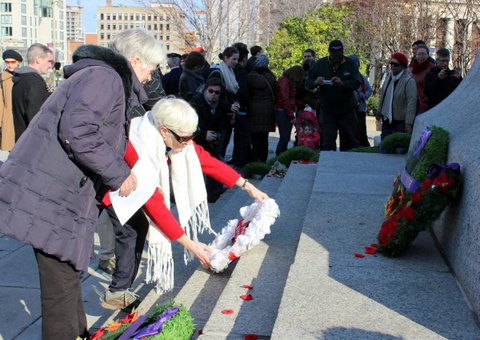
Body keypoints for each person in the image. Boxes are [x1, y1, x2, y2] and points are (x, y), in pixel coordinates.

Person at [0, 28, 163, 337]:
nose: (151, 77)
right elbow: (79, 131)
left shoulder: (105, 78)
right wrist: (120, 173)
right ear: (136, 60)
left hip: (57, 196)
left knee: (68, 276)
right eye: (151, 69)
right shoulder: (106, 79)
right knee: (60, 288)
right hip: (51, 197)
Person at [100, 98, 269, 310]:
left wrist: (248, 186)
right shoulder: (139, 145)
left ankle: (119, 289)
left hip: (128, 188)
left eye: (193, 135)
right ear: (164, 131)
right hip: (105, 191)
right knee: (132, 230)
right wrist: (190, 245)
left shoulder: (173, 133)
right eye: (184, 138)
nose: (189, 142)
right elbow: (154, 205)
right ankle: (117, 291)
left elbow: (204, 159)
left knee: (136, 229)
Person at [305, 39, 361, 151]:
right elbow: (307, 82)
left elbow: (357, 82)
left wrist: (343, 83)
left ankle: (347, 165)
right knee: (327, 142)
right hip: (327, 110)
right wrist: (316, 82)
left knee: (350, 142)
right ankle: (328, 165)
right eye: (333, 55)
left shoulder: (350, 64)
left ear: (342, 53)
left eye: (338, 55)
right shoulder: (320, 64)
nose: (336, 58)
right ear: (329, 52)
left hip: (347, 109)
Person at [190, 77, 233, 202]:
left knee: (214, 165)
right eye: (211, 91)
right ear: (205, 90)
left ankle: (213, 193)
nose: (213, 94)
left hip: (213, 141)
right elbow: (188, 125)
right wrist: (203, 134)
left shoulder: (220, 103)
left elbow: (224, 113)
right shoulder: (196, 103)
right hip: (198, 141)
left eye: (217, 92)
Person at [11, 43, 53, 141]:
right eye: (49, 61)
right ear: (38, 60)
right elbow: (36, 118)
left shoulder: (21, 79)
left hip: (21, 140)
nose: (50, 65)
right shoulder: (35, 83)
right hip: (33, 144)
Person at [208, 46, 241, 160]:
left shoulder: (230, 72)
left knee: (222, 147)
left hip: (226, 115)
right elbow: (214, 96)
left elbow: (232, 93)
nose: (236, 62)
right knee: (217, 150)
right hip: (218, 117)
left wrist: (234, 104)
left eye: (237, 59)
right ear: (226, 58)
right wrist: (230, 106)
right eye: (234, 59)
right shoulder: (217, 72)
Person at [376, 52, 417, 139]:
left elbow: (412, 103)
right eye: (391, 64)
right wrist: (379, 111)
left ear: (402, 66)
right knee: (384, 147)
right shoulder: (388, 77)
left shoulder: (409, 81)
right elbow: (383, 95)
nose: (393, 66)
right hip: (387, 119)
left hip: (400, 121)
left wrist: (408, 123)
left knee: (398, 148)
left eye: (396, 64)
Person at [247, 54, 276, 162]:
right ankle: (263, 161)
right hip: (268, 111)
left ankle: (255, 161)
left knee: (255, 140)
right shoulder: (271, 77)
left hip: (253, 111)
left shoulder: (250, 77)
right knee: (264, 139)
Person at [275, 65, 304, 155]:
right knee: (284, 137)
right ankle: (280, 156)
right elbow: (285, 99)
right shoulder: (285, 81)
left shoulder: (285, 80)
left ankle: (281, 156)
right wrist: (291, 115)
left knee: (286, 137)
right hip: (283, 111)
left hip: (284, 111)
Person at [0, 49, 23, 151]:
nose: (9, 65)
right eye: (7, 62)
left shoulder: (25, 76)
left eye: (12, 62)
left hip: (22, 115)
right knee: (12, 148)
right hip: (8, 117)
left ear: (18, 62)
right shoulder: (3, 78)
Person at [349, 55, 372, 147]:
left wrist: (364, 95)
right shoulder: (346, 77)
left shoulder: (363, 78)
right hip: (349, 108)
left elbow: (369, 90)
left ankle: (363, 145)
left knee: (361, 129)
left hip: (360, 109)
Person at [410, 45, 434, 114]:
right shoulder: (412, 69)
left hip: (425, 104)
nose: (421, 56)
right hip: (412, 103)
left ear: (428, 55)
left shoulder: (432, 68)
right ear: (416, 55)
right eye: (419, 54)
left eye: (423, 54)